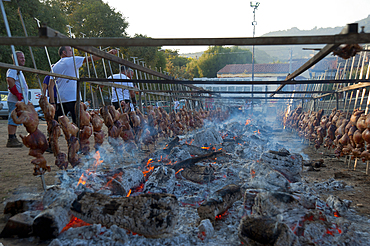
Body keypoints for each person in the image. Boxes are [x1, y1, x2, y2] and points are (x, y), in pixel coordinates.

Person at [49, 46, 116, 124]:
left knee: (55, 122)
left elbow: (50, 86)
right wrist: (109, 53)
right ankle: (76, 135)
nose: (72, 52)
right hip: (73, 97)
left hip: (61, 99)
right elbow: (92, 58)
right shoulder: (72, 60)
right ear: (64, 52)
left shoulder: (55, 66)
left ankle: (52, 134)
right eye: (70, 50)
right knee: (77, 122)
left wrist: (53, 102)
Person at [6, 51, 29, 148]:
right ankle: (11, 139)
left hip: (19, 100)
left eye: (23, 57)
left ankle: (16, 137)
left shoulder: (19, 70)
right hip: (14, 100)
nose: (23, 59)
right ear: (15, 59)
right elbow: (10, 80)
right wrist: (16, 93)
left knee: (20, 119)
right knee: (13, 118)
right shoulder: (13, 69)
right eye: (21, 58)